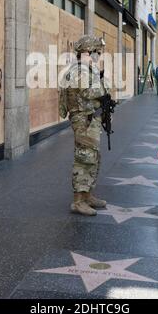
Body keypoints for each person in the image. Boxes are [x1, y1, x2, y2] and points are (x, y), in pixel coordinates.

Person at [59, 35, 110, 217]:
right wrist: (106, 86)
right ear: (87, 52)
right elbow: (88, 92)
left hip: (90, 119)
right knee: (84, 157)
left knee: (93, 156)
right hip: (82, 120)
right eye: (96, 52)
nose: (98, 55)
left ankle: (87, 195)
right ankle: (78, 201)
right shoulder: (79, 70)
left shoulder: (87, 69)